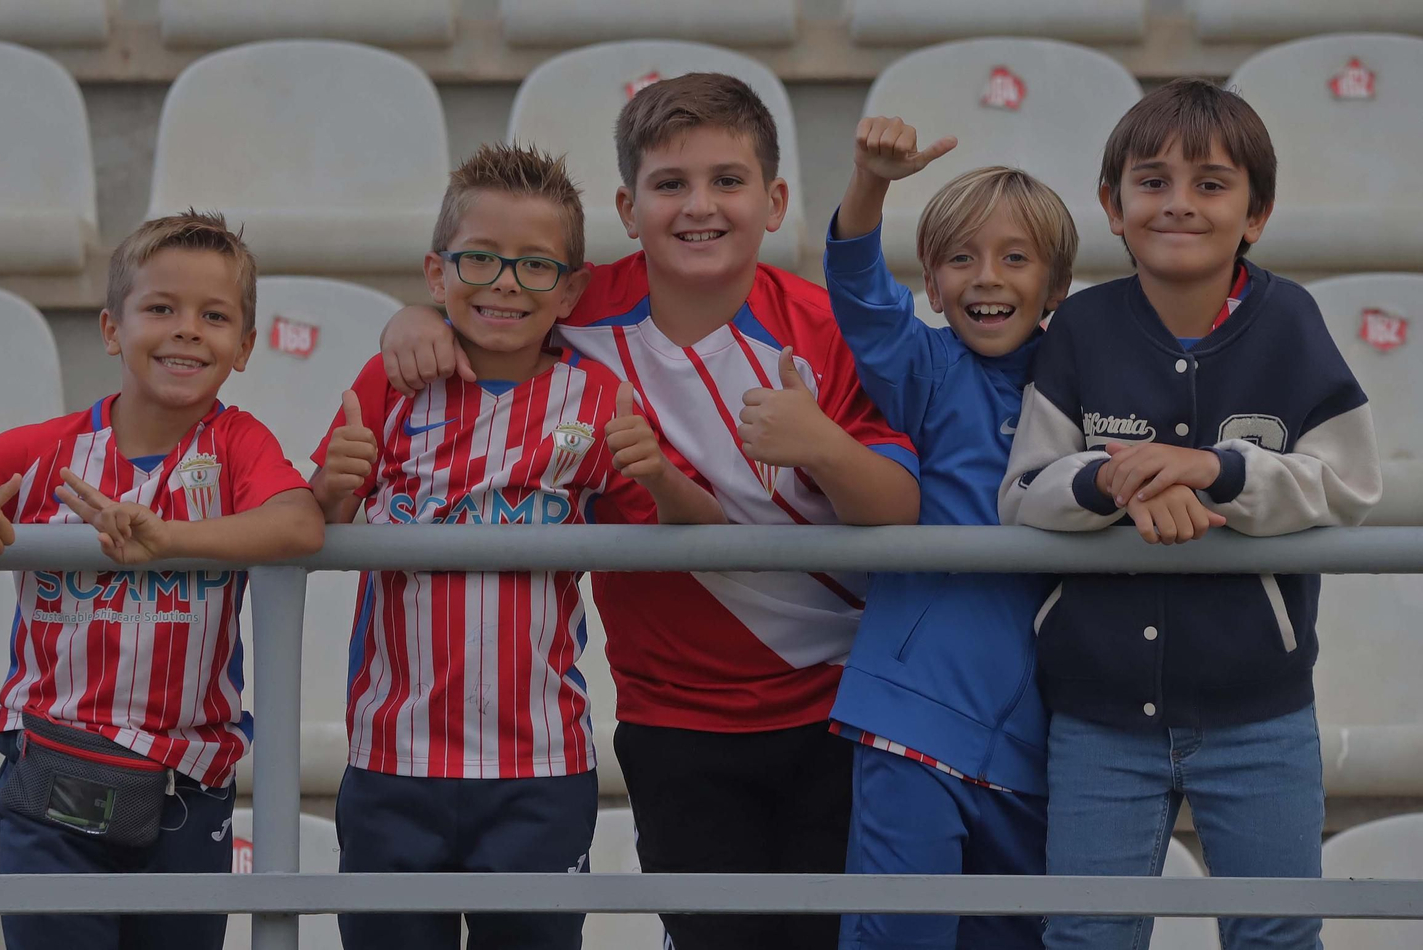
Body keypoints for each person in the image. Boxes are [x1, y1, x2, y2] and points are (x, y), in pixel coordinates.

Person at [380, 74, 920, 950]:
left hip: (842, 706)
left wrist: (820, 444)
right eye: (671, 184)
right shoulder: (572, 307)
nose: (698, 206)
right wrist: (411, 318)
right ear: (629, 209)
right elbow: (483, 298)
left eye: (727, 181)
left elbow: (903, 508)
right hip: (676, 715)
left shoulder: (824, 330)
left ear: (776, 200)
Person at [0, 210, 325, 950]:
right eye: (161, 308)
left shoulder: (236, 444)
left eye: (214, 315)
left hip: (187, 788)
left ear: (245, 347)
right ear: (112, 329)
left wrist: (168, 539)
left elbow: (299, 524)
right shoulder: (49, 449)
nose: (187, 330)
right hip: (53, 779)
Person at [999, 79, 1383, 950]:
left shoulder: (1291, 321)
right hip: (1096, 715)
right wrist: (1121, 481)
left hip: (1261, 710)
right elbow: (1024, 491)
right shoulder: (1082, 328)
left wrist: (1216, 469)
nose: (1179, 204)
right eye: (1153, 181)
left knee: (1277, 937)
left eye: (1211, 185)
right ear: (1113, 205)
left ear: (1257, 214)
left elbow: (1348, 483)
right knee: (1089, 938)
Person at [309, 142, 722, 950]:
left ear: (570, 290)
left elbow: (697, 535)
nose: (505, 282)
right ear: (437, 273)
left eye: (535, 266)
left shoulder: (597, 397)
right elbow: (310, 521)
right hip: (395, 759)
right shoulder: (389, 383)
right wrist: (330, 487)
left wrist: (662, 478)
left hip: (539, 765)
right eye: (482, 260)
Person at [824, 117, 1079, 950]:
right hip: (914, 720)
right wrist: (871, 183)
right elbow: (861, 295)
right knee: (902, 936)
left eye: (1015, 258)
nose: (986, 278)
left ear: (1056, 288)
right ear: (932, 285)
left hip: (1043, 746)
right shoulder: (928, 370)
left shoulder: (1088, 390)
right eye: (961, 259)